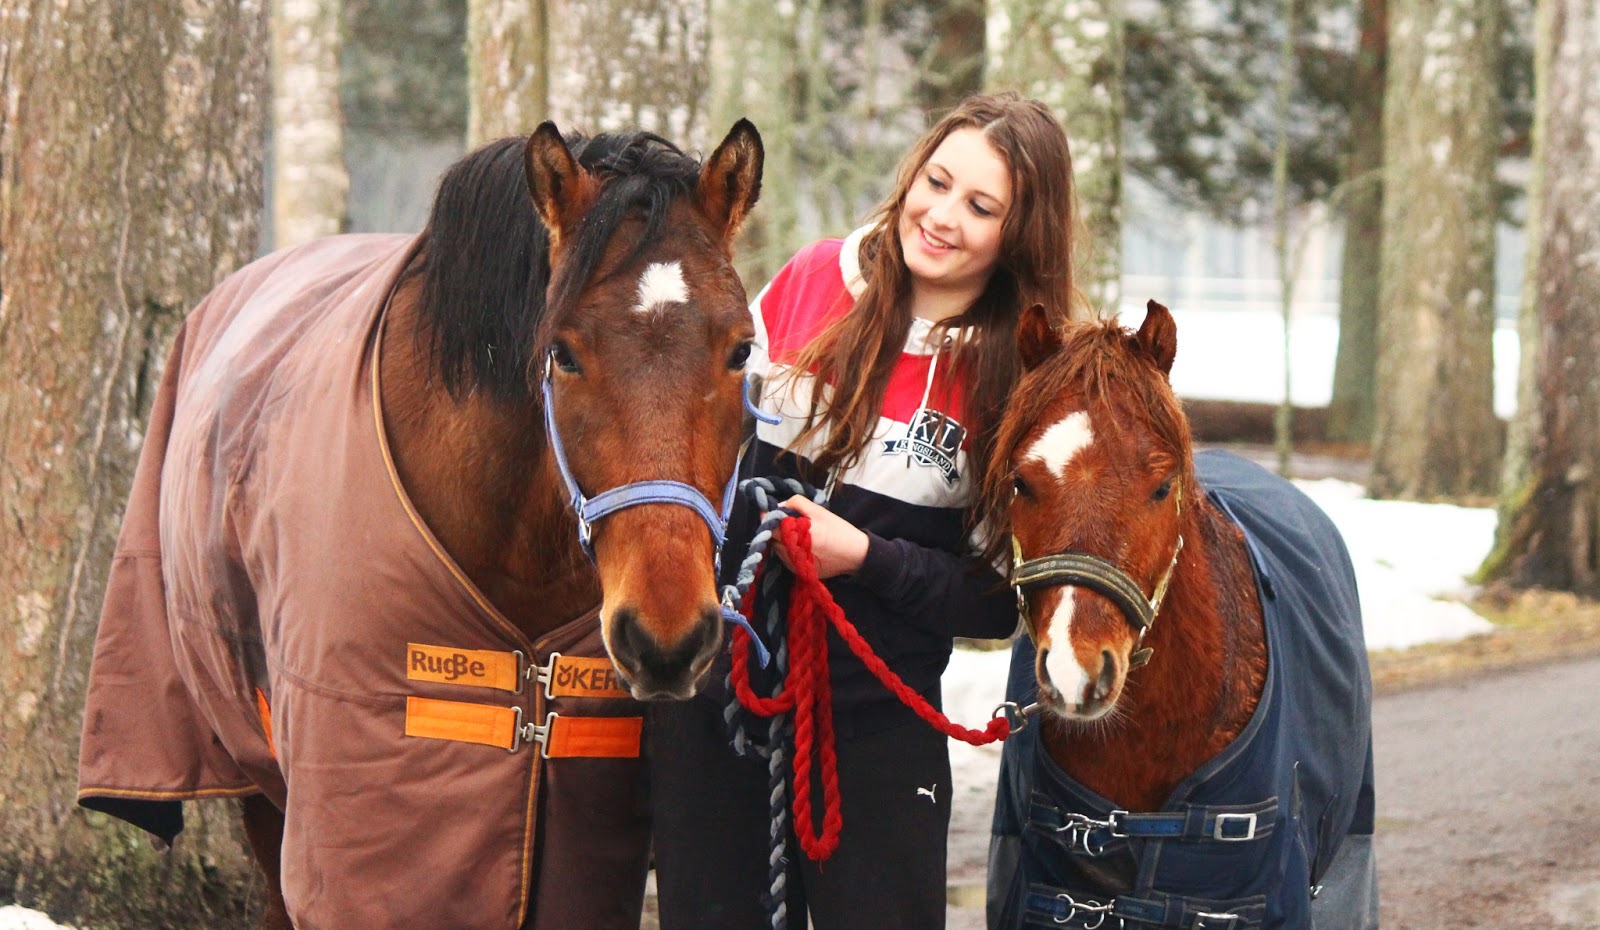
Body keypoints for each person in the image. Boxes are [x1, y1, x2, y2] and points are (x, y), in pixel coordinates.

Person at [647, 91, 1091, 930]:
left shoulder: (1021, 376)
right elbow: (698, 449)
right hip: (723, 702)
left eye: (981, 206)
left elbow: (997, 601)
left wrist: (865, 557)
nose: (943, 216)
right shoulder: (814, 277)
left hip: (875, 731)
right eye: (937, 182)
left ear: (1020, 234)